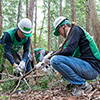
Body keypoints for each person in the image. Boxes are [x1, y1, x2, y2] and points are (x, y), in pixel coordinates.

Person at [50, 16, 100, 96]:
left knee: (55, 60)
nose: (60, 34)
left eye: (59, 31)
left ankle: (82, 85)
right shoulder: (71, 37)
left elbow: (69, 50)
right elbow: (69, 56)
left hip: (92, 68)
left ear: (64, 25)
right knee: (59, 60)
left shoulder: (75, 29)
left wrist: (52, 54)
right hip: (88, 68)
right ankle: (76, 84)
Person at [0, 18, 32, 92]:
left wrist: (24, 61)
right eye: (22, 33)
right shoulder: (8, 34)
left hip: (14, 51)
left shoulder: (27, 37)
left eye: (25, 34)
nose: (23, 36)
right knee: (0, 67)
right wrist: (13, 64)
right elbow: (7, 51)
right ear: (18, 28)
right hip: (2, 50)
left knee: (19, 66)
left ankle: (17, 87)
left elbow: (26, 51)